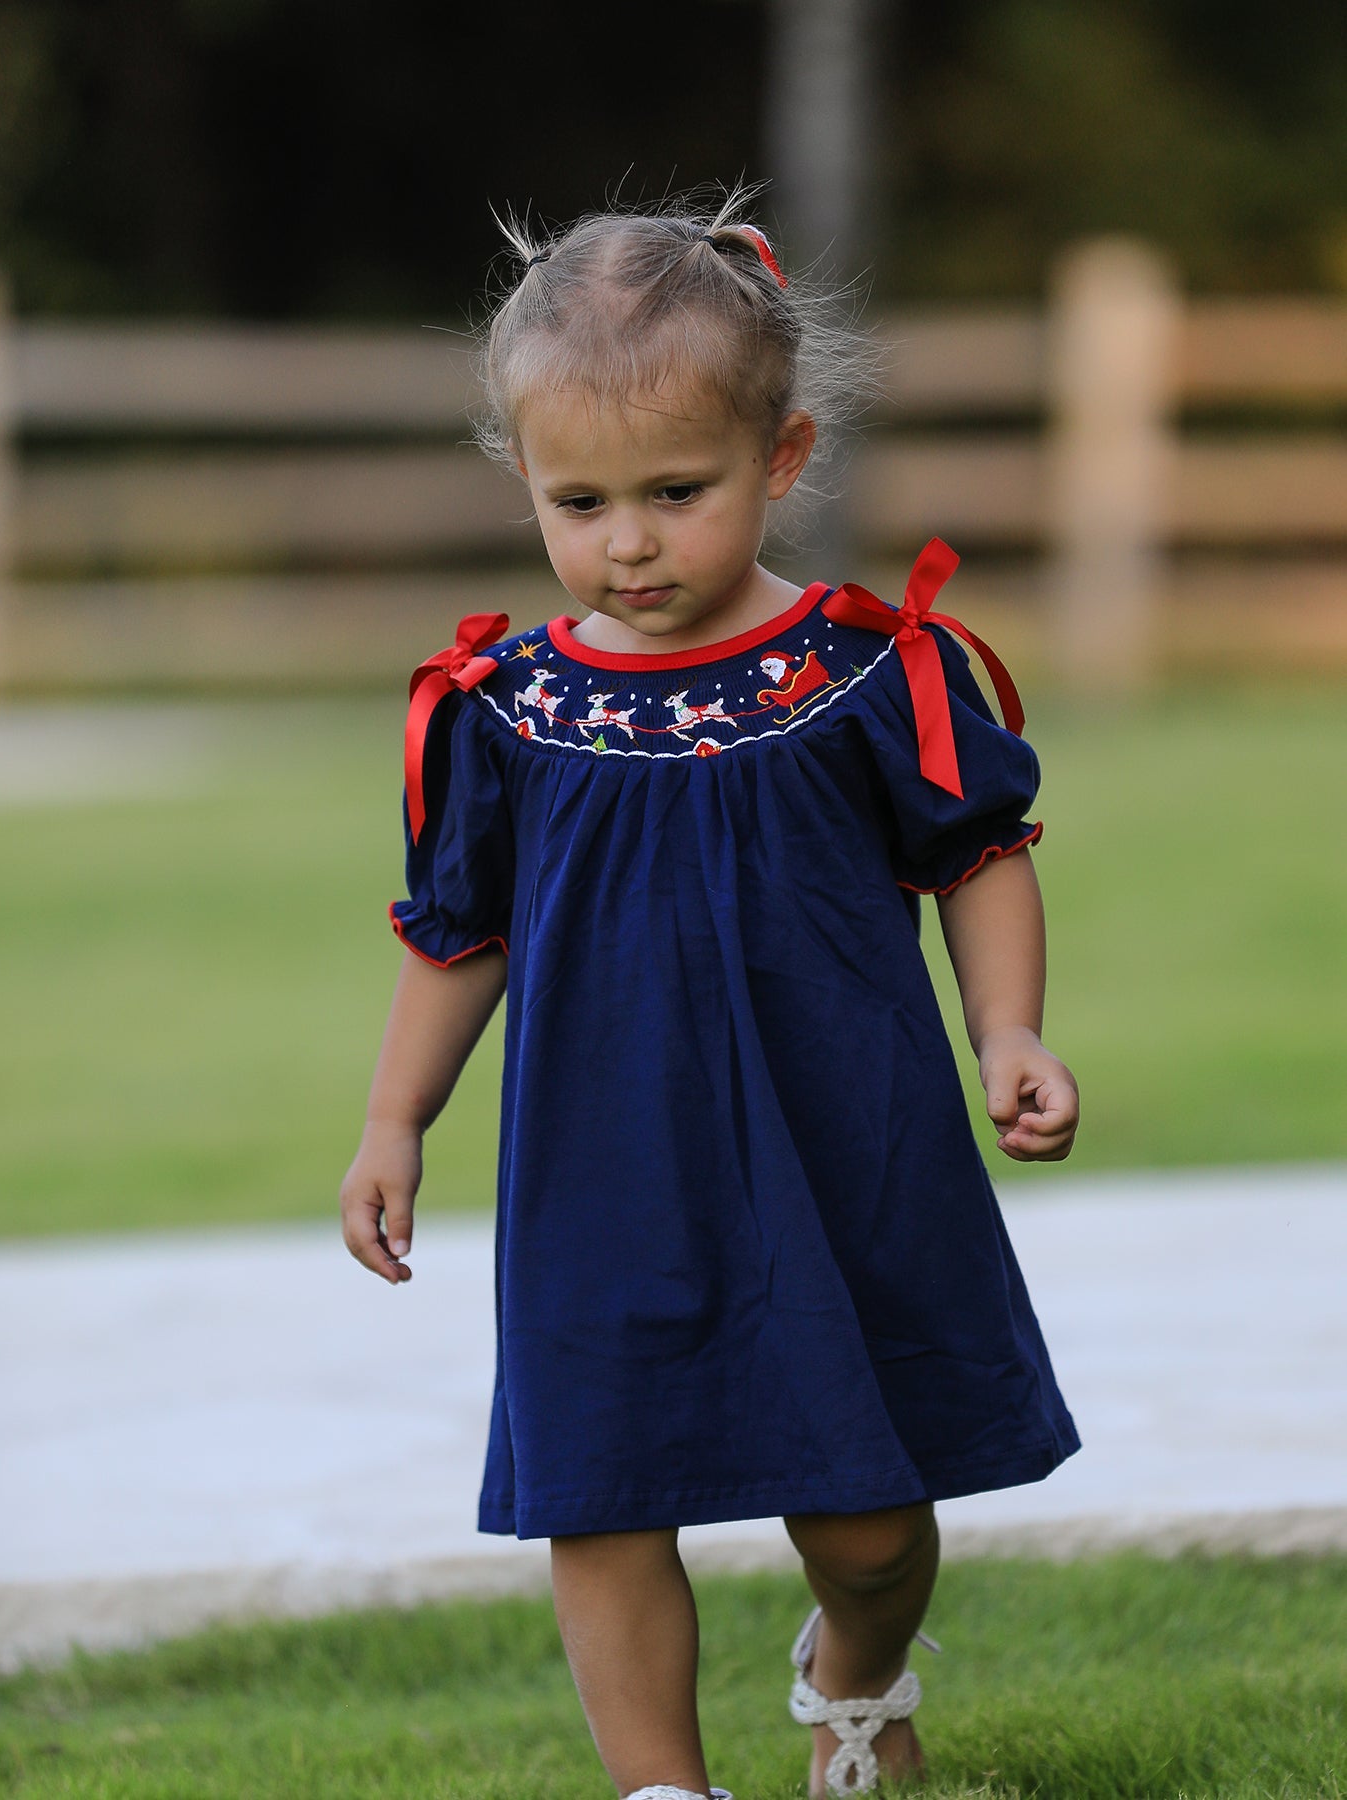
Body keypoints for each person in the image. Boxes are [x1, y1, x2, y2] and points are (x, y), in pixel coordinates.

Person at [340, 186, 1081, 1800]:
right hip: (598, 1170)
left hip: (841, 1144)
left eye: (677, 492)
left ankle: (854, 1675)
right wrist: (394, 1119)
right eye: (578, 499)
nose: (626, 541)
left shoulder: (866, 671)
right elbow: (455, 930)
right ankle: (662, 1788)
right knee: (600, 1495)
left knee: (871, 1524)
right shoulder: (506, 708)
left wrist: (1005, 1029)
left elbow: (978, 852)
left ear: (784, 460)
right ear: (526, 484)